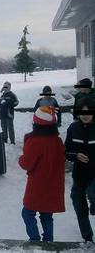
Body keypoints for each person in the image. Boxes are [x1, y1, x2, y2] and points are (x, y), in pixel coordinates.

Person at [19, 106, 65, 241]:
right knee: (46, 215)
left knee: (27, 213)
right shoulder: (57, 140)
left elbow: (26, 164)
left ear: (36, 122)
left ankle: (34, 239)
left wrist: (20, 159)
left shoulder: (35, 141)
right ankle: (49, 241)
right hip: (53, 184)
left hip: (38, 185)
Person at [65, 97, 95, 242]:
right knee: (78, 203)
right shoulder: (73, 128)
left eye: (88, 112)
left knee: (93, 192)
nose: (85, 115)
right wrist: (76, 155)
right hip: (79, 175)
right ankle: (88, 238)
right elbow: (66, 151)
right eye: (82, 112)